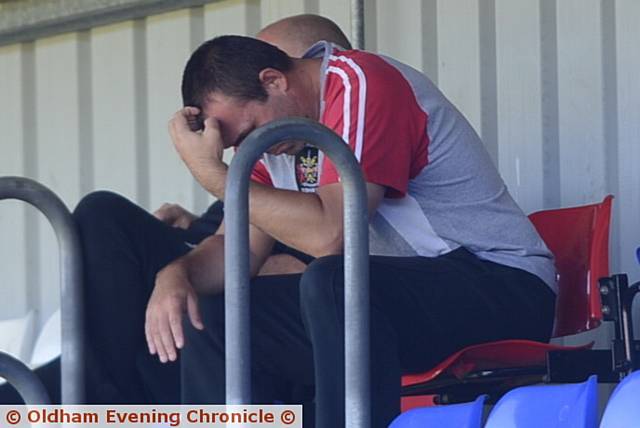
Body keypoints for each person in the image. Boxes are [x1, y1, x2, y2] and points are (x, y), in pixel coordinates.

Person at [166, 34, 558, 427]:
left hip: (502, 285)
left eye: (250, 131)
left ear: (274, 81)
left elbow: (333, 235)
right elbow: (237, 252)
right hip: (395, 303)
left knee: (332, 280)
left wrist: (213, 176)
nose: (254, 148)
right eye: (238, 143)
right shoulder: (273, 145)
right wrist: (176, 277)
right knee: (215, 320)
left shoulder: (361, 83)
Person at [0, 14, 352, 405]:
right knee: (104, 218)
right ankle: (90, 389)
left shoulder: (355, 127)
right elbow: (229, 231)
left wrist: (214, 195)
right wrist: (190, 238)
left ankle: (89, 393)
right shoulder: (267, 155)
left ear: (287, 76)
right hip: (176, 339)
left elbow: (333, 246)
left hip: (268, 339)